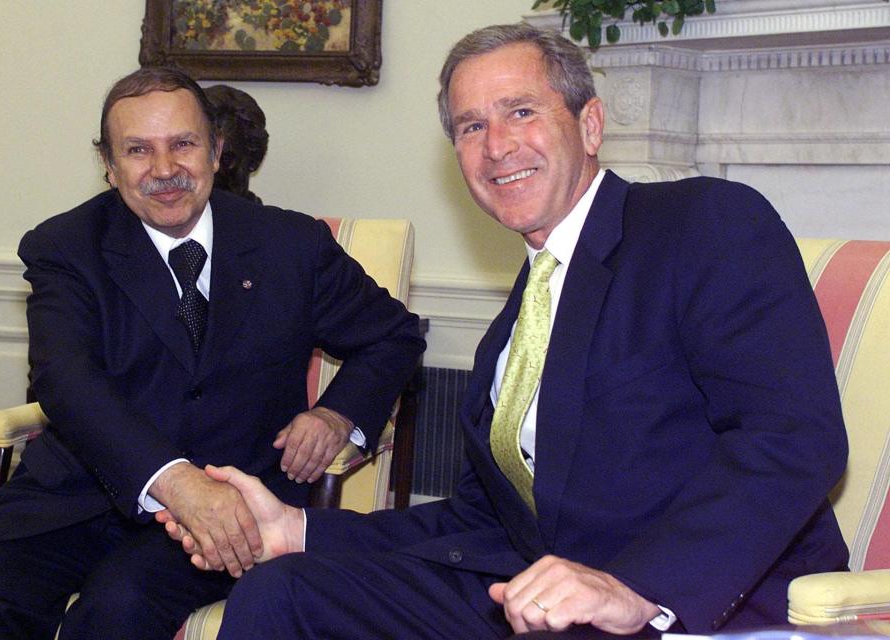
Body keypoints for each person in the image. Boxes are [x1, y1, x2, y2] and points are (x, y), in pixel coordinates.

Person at [162, 23, 850, 638]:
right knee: (285, 593)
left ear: (589, 125)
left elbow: (793, 439)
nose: (496, 147)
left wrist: (638, 588)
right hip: (538, 597)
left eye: (521, 112)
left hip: (691, 605)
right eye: (469, 127)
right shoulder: (516, 324)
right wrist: (297, 529)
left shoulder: (701, 224)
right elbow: (478, 524)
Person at [0, 66, 424, 640]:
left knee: (119, 608)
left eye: (183, 144)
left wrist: (336, 412)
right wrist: (175, 481)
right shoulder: (65, 248)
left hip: (233, 499)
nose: (164, 171)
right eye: (138, 150)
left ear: (216, 151)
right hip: (81, 493)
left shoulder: (290, 244)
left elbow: (394, 335)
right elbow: (65, 381)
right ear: (109, 165)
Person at [204, 84, 269, 204]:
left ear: (255, 160)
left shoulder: (277, 222)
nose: (216, 167)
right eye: (209, 156)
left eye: (227, 159)